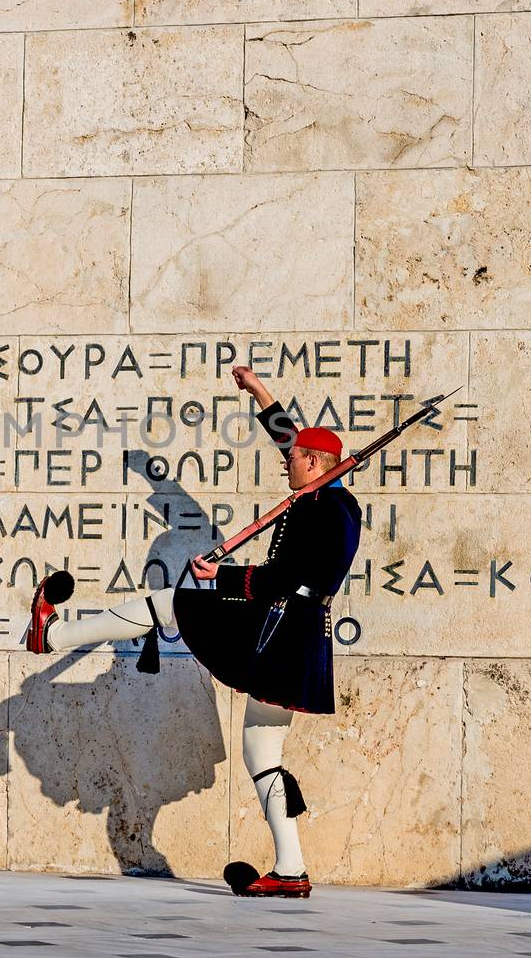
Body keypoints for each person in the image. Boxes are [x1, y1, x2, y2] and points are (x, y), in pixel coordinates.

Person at [24, 364, 364, 897]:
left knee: (170, 602)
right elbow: (286, 437)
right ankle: (291, 869)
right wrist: (257, 392)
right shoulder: (323, 498)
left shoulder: (330, 513)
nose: (287, 462)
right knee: (262, 754)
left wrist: (221, 576)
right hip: (293, 637)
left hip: (282, 631)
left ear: (317, 462)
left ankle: (53, 635)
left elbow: (282, 580)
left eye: (296, 457)